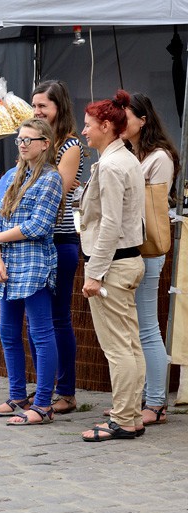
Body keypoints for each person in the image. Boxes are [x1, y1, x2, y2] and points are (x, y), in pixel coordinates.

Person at [0, 118, 62, 425]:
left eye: (30, 139)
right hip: (8, 264)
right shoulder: (16, 175)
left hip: (35, 264)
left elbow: (39, 226)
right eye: (20, 139)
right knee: (8, 331)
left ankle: (42, 404)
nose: (23, 143)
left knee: (41, 333)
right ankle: (17, 395)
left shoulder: (51, 178)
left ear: (45, 143)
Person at [79, 90, 146, 442]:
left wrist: (95, 272)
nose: (84, 131)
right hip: (127, 261)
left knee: (119, 348)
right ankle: (131, 415)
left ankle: (122, 418)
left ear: (106, 126)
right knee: (130, 344)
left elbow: (109, 223)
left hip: (113, 265)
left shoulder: (111, 164)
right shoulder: (125, 158)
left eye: (88, 126)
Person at [119, 92, 180, 426]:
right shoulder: (131, 152)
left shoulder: (158, 157)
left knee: (146, 328)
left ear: (143, 120)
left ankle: (156, 402)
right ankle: (141, 399)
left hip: (147, 249)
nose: (120, 123)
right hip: (131, 248)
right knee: (135, 328)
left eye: (126, 117)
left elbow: (148, 208)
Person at [27, 80, 85, 414]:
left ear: (58, 108)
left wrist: (32, 179)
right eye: (34, 106)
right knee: (37, 322)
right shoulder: (36, 142)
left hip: (60, 239)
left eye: (43, 106)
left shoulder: (70, 145)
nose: (37, 112)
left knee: (58, 318)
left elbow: (55, 195)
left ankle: (66, 392)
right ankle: (44, 387)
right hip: (36, 242)